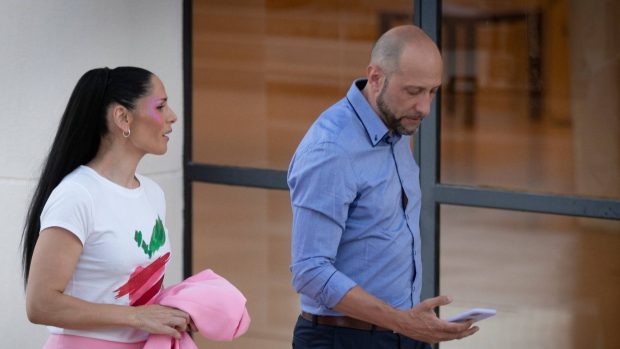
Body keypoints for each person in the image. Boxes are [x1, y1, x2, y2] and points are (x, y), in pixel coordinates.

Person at [287, 25, 479, 348]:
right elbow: (309, 271)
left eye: (432, 92)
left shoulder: (396, 126)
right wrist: (403, 322)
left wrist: (410, 326)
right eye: (414, 91)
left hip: (402, 331)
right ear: (375, 78)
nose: (425, 108)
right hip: (343, 339)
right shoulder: (331, 149)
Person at [21, 67, 192, 348]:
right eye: (160, 106)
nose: (172, 116)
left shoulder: (153, 193)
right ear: (123, 117)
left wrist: (176, 310)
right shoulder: (77, 195)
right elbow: (40, 304)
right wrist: (136, 318)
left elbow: (133, 291)